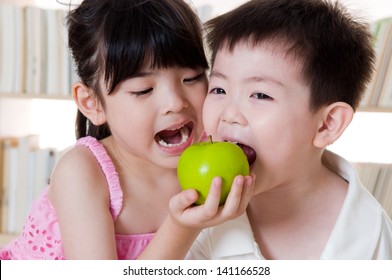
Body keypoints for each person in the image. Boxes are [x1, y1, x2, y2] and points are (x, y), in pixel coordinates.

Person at [0, 0, 254, 260]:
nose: (176, 102)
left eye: (191, 77)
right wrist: (183, 227)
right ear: (92, 103)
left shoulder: (216, 146)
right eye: (144, 89)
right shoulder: (81, 173)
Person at [187, 0, 392, 259]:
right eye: (219, 89)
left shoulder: (371, 236)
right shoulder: (195, 213)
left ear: (328, 124)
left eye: (260, 95)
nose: (229, 114)